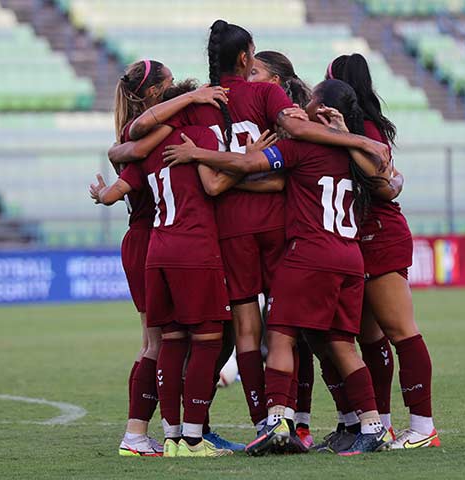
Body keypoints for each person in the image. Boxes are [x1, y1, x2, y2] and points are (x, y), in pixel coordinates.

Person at [127, 20, 391, 439]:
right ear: (246, 57)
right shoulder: (269, 93)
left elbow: (137, 136)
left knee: (247, 333)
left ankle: (263, 426)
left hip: (229, 227)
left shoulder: (198, 105)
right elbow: (299, 131)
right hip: (279, 224)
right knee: (296, 330)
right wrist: (359, 141)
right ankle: (306, 423)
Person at [108, 60, 229, 456]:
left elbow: (125, 155)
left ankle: (166, 432)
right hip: (164, 241)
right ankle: (143, 433)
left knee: (163, 343)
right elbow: (210, 184)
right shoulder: (164, 135)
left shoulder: (138, 137)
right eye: (173, 85)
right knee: (158, 345)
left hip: (153, 242)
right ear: (160, 94)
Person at [327, 53, 439, 449]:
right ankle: (383, 425)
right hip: (361, 237)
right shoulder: (357, 125)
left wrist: (391, 180)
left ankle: (423, 428)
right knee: (370, 339)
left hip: (381, 235)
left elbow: (380, 181)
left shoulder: (363, 127)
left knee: (401, 333)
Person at [248, 50, 316, 448]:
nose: (248, 78)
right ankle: (285, 421)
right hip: (266, 234)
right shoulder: (264, 117)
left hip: (288, 237)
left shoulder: (289, 122)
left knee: (288, 333)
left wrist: (235, 171)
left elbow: (287, 180)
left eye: (255, 72)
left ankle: (291, 421)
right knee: (283, 333)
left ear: (274, 81)